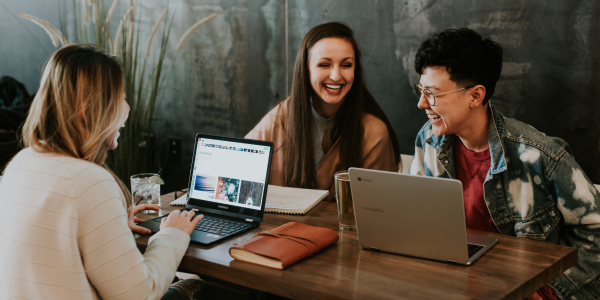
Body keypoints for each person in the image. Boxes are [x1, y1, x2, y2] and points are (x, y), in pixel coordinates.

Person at [408, 28, 600, 300]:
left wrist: (548, 291)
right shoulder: (428, 140)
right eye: (420, 90)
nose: (421, 103)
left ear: (475, 96)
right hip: (451, 282)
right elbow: (412, 218)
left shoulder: (539, 155)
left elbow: (595, 232)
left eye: (432, 93)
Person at [0, 44, 203, 299]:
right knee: (195, 287)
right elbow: (139, 294)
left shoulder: (19, 163)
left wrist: (111, 221)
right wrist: (172, 234)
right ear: (88, 109)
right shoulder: (90, 181)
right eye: (120, 99)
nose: (127, 108)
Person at [246, 22, 400, 201]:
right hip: (278, 228)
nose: (336, 76)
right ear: (306, 69)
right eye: (324, 65)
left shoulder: (373, 132)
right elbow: (238, 165)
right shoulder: (282, 116)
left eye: (346, 65)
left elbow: (380, 208)